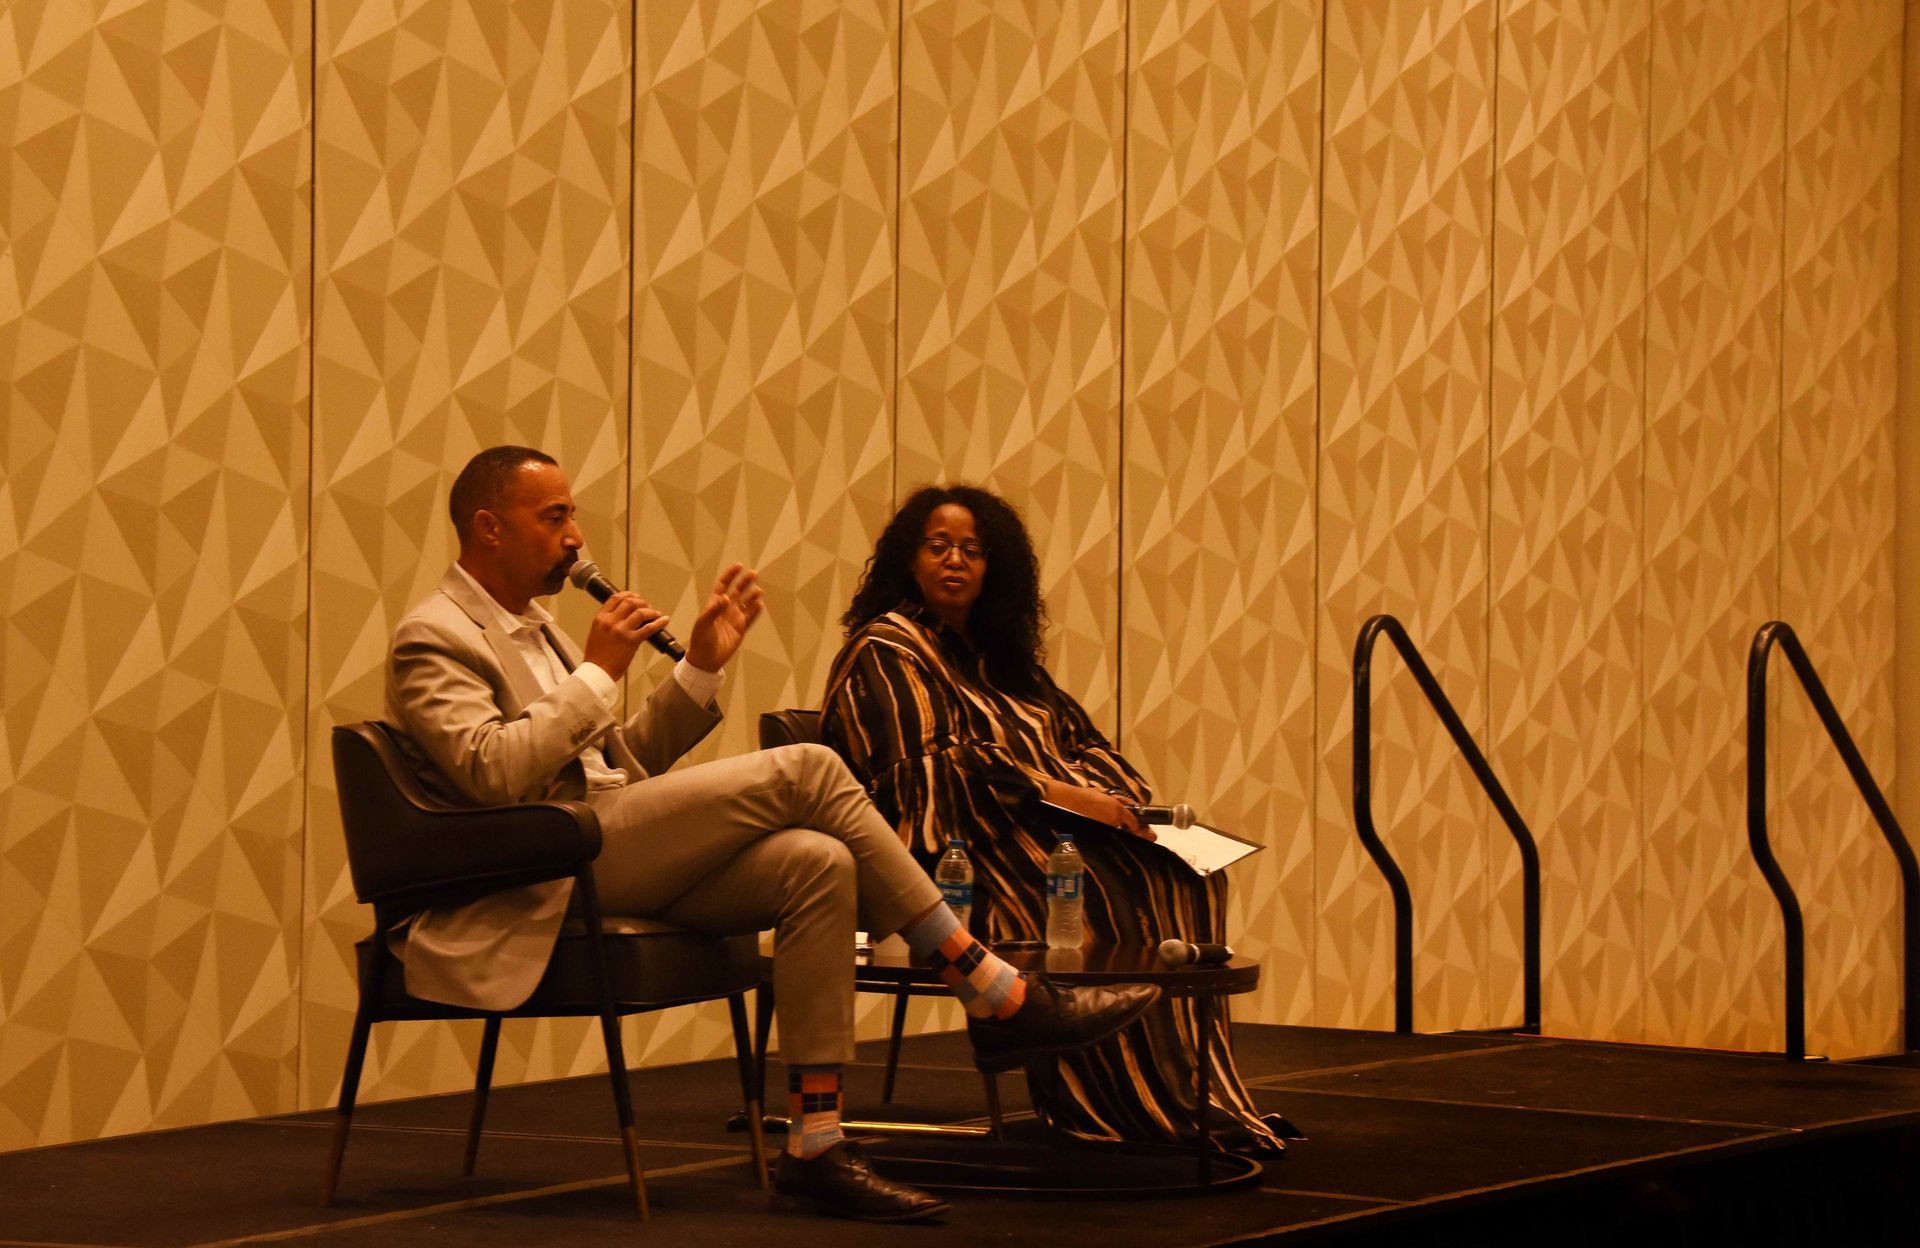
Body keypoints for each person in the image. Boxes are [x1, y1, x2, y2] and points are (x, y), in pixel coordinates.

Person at [382, 447, 1161, 1223]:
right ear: (489, 527)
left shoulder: (542, 630)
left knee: (816, 863)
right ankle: (986, 985)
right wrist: (598, 675)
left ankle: (816, 1142)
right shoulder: (434, 636)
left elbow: (616, 763)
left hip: (599, 841)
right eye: (555, 518)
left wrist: (700, 675)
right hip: (539, 871)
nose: (577, 537)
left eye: (573, 516)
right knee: (809, 768)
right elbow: (491, 774)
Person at [820, 484, 1287, 1155]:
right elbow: (935, 777)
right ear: (908, 559)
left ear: (995, 569)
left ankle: (1183, 1093)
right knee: (1101, 884)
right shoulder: (888, 647)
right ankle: (1106, 1104)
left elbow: (1087, 747)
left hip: (1038, 838)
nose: (956, 560)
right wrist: (1076, 801)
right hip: (947, 859)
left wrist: (1122, 807)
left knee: (1184, 871)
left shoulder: (1005, 664)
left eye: (973, 551)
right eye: (939, 545)